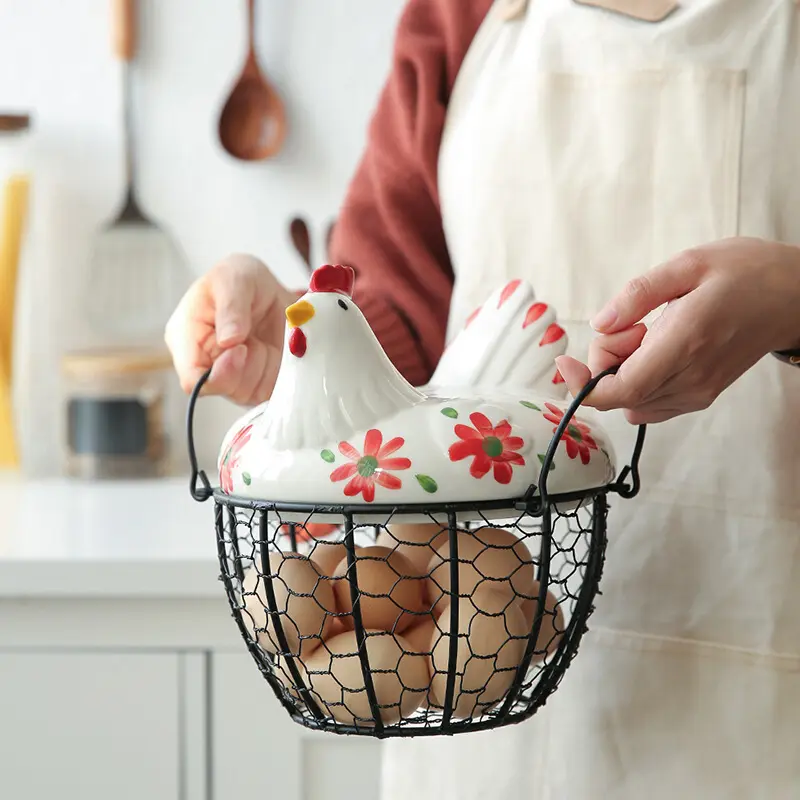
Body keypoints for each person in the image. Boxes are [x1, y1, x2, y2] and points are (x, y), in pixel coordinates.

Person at [166, 0, 800, 796]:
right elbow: (399, 303)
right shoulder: (457, 15)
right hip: (469, 698)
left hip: (765, 686)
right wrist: (297, 361)